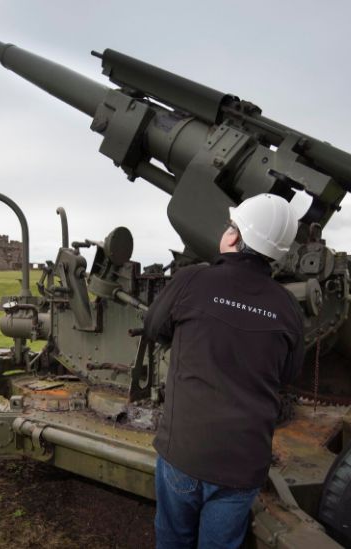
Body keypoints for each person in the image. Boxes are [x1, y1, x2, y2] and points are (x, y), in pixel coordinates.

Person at [143, 193, 305, 549]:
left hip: (185, 452)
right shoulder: (288, 307)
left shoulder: (191, 281)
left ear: (233, 236)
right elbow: (288, 373)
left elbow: (155, 328)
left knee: (173, 538)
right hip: (242, 465)